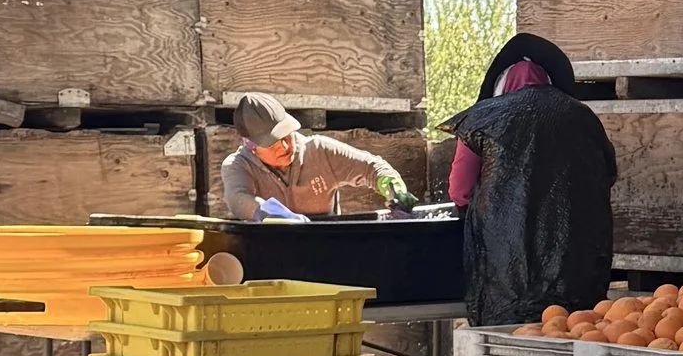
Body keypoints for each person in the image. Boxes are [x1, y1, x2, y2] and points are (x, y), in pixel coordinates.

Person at [444, 33, 617, 327]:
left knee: (510, 342)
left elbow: (459, 189)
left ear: (499, 84)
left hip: (505, 275)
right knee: (574, 335)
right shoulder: (584, 118)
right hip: (576, 272)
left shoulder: (483, 119)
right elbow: (609, 175)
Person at [219, 94, 413, 221]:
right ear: (251, 146)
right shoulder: (237, 165)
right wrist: (274, 215)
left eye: (286, 135)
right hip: (272, 250)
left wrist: (394, 189)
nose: (285, 147)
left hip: (326, 246)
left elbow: (373, 167)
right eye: (272, 143)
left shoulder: (321, 151)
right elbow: (238, 199)